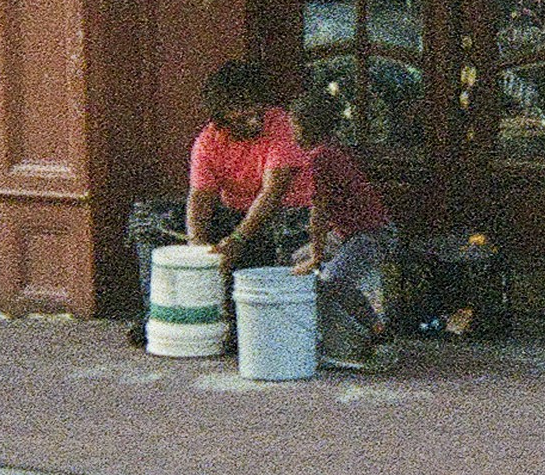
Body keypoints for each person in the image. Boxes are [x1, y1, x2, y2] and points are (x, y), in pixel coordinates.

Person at [132, 58, 304, 346]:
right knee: (150, 217)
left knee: (289, 229)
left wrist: (237, 239)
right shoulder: (208, 141)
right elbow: (200, 198)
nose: (251, 113)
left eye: (255, 103)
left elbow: (272, 193)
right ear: (220, 115)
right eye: (239, 106)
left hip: (282, 215)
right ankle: (161, 311)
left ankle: (259, 319)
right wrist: (197, 251)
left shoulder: (282, 124)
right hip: (234, 214)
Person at [289, 86, 398, 370]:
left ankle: (379, 334)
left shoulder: (320, 157)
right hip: (351, 233)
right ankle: (322, 334)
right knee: (296, 261)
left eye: (295, 125)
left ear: (307, 125)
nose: (292, 132)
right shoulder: (331, 149)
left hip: (371, 235)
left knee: (331, 279)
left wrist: (317, 254)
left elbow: (319, 212)